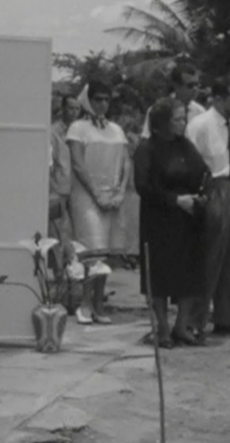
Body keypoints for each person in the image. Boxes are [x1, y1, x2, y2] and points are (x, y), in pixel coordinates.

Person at [134, 98, 208, 348]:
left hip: (187, 220)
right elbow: (143, 186)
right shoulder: (147, 148)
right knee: (160, 276)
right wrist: (175, 200)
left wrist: (201, 195)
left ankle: (182, 326)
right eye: (177, 119)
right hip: (159, 219)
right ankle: (163, 328)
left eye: (183, 118)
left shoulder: (186, 145)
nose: (182, 123)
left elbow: (202, 170)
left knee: (188, 274)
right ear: (162, 123)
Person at [187, 75, 230, 336]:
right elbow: (191, 160)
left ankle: (226, 317)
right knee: (210, 256)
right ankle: (195, 320)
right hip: (214, 187)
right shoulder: (200, 125)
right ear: (218, 99)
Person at [67, 81, 131, 325]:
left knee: (105, 252)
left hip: (112, 194)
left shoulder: (116, 129)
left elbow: (126, 161)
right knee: (91, 250)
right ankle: (84, 302)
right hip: (86, 194)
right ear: (88, 100)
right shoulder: (78, 128)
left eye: (107, 99)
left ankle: (98, 304)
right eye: (98, 99)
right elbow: (78, 164)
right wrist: (97, 194)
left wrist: (120, 191)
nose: (103, 104)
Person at [49, 94, 80, 272]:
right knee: (58, 233)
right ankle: (59, 274)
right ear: (63, 109)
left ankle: (76, 273)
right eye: (71, 108)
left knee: (76, 233)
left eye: (77, 109)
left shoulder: (80, 131)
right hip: (58, 188)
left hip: (77, 190)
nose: (74, 112)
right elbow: (50, 162)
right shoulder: (53, 132)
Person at [141, 63, 206, 139]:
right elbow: (147, 139)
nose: (195, 90)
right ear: (176, 86)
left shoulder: (200, 112)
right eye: (190, 86)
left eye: (197, 85)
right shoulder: (158, 110)